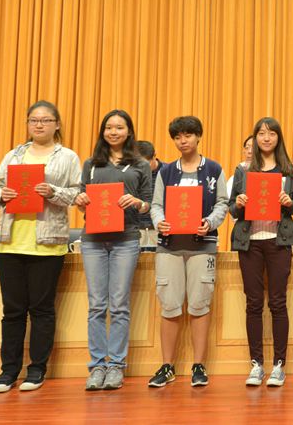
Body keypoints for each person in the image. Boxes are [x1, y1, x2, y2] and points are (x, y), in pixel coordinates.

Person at [0, 101, 81, 393]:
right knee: (12, 311)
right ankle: (8, 371)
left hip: (47, 244)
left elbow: (77, 194)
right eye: (33, 120)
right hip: (11, 243)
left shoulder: (67, 156)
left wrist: (53, 191)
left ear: (57, 124)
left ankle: (37, 369)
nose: (39, 125)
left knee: (42, 309)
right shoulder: (14, 155)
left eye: (45, 120)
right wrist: (2, 194)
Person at [75, 109, 153, 391]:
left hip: (126, 240)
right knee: (97, 305)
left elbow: (148, 204)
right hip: (93, 240)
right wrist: (80, 200)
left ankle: (116, 365)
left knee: (119, 305)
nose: (114, 132)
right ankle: (97, 366)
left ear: (129, 131)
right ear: (103, 131)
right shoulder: (91, 164)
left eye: (119, 127)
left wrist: (137, 202)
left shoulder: (140, 164)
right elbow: (81, 198)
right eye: (109, 127)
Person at [148, 116, 228, 388]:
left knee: (199, 304)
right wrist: (160, 221)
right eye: (177, 137)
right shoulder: (166, 171)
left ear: (198, 136)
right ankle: (167, 366)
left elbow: (222, 203)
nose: (183, 141)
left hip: (202, 246)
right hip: (169, 247)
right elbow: (156, 205)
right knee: (170, 305)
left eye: (188, 135)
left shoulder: (214, 169)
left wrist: (210, 222)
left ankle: (198, 365)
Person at [230, 117, 293, 387]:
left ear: (278, 138)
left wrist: (289, 202)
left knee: (277, 302)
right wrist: (239, 204)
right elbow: (231, 209)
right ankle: (256, 364)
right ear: (255, 137)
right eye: (261, 133)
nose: (266, 138)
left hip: (278, 241)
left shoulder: (289, 170)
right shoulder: (243, 170)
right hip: (249, 242)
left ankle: (279, 365)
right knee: (253, 303)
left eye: (271, 133)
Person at [136, 140, 164, 250]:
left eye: (146, 165)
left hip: (160, 229)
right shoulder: (131, 173)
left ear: (154, 156)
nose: (142, 169)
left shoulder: (167, 172)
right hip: (137, 229)